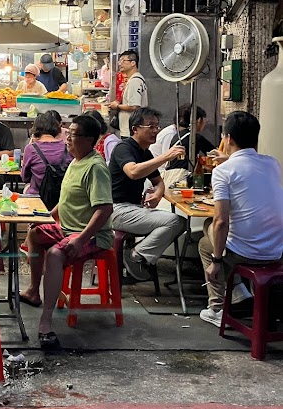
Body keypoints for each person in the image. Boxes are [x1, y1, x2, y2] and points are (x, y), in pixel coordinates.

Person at [18, 115, 113, 346]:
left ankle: (46, 322)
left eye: (73, 135)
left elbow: (105, 209)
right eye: (67, 133)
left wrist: (80, 240)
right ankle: (33, 290)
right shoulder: (75, 160)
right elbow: (67, 199)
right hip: (67, 227)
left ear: (89, 140)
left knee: (55, 254)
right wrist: (47, 217)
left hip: (91, 235)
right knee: (34, 233)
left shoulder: (95, 167)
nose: (68, 139)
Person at [198, 111, 283, 327]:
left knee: (206, 241)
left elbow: (221, 222)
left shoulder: (223, 172)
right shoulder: (273, 164)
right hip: (276, 250)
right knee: (213, 229)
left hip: (246, 253)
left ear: (227, 139)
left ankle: (218, 307)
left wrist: (217, 262)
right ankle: (239, 293)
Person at [109, 107, 187, 282]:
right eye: (150, 126)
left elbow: (159, 182)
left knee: (180, 223)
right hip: (115, 209)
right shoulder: (124, 148)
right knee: (175, 221)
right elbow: (133, 172)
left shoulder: (145, 152)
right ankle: (136, 256)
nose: (155, 131)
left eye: (157, 127)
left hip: (132, 208)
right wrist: (165, 157)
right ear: (135, 129)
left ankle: (137, 255)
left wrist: (158, 195)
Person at [163, 104, 215, 188]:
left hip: (170, 176)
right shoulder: (194, 137)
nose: (205, 123)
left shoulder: (178, 136)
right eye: (204, 120)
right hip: (182, 178)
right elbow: (215, 153)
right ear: (198, 120)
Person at [21, 111, 71, 197]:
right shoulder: (68, 148)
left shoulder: (31, 149)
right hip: (62, 197)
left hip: (36, 196)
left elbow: (25, 177)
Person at [108, 50, 147, 137]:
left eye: (123, 61)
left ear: (133, 63)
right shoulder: (133, 79)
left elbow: (134, 106)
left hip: (130, 131)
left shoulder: (135, 81)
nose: (120, 64)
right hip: (130, 129)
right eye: (119, 61)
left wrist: (117, 106)